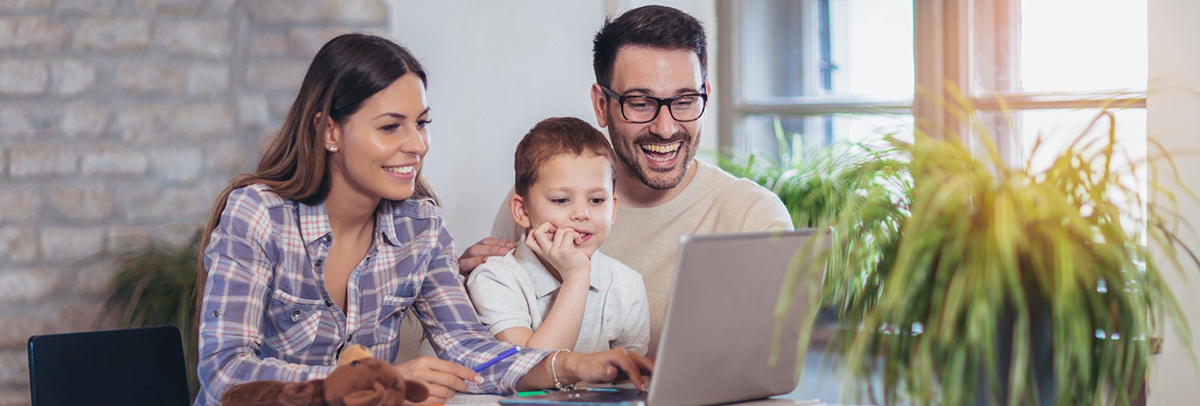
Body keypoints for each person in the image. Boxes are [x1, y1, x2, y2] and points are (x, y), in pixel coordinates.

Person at [193, 33, 651, 406]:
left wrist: (568, 366)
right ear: (329, 130)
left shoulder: (420, 226)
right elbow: (226, 372)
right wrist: (376, 382)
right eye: (391, 126)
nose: (417, 144)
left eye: (422, 123)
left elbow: (471, 351)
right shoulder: (258, 215)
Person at [458, 5, 792, 356]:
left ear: (705, 95)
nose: (665, 128)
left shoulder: (752, 217)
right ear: (601, 104)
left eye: (684, 100)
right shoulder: (536, 197)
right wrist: (460, 285)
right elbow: (503, 356)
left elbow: (765, 366)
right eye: (640, 103)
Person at [466, 117, 650, 356]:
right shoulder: (494, 279)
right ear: (523, 211)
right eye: (561, 200)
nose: (582, 214)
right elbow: (530, 370)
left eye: (596, 200)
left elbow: (631, 381)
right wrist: (576, 277)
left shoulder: (627, 286)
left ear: (613, 209)